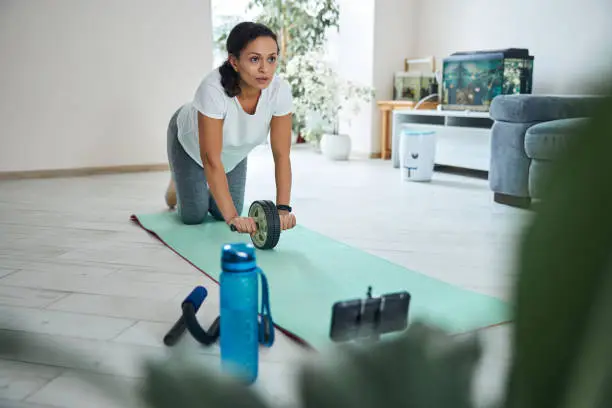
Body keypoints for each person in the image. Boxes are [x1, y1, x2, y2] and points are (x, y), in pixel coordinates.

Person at [165, 21, 297, 234]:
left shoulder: (279, 91)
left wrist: (282, 209)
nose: (265, 69)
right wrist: (233, 217)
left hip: (234, 151)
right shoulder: (212, 89)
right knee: (193, 216)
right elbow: (211, 158)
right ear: (234, 62)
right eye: (254, 59)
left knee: (219, 213)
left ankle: (190, 184)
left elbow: (282, 155)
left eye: (271, 59)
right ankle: (177, 181)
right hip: (189, 143)